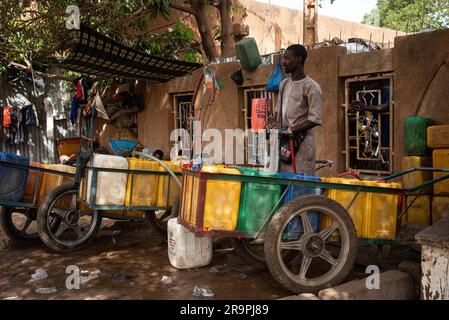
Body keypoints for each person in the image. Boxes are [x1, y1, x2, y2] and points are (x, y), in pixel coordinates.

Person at [270, 44, 323, 176]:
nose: (283, 62)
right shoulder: (284, 84)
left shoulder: (311, 87)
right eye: (283, 59)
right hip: (284, 143)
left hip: (302, 145)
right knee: (282, 181)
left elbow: (315, 119)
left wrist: (291, 128)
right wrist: (271, 123)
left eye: (287, 58)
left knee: (299, 185)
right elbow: (278, 112)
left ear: (299, 59)